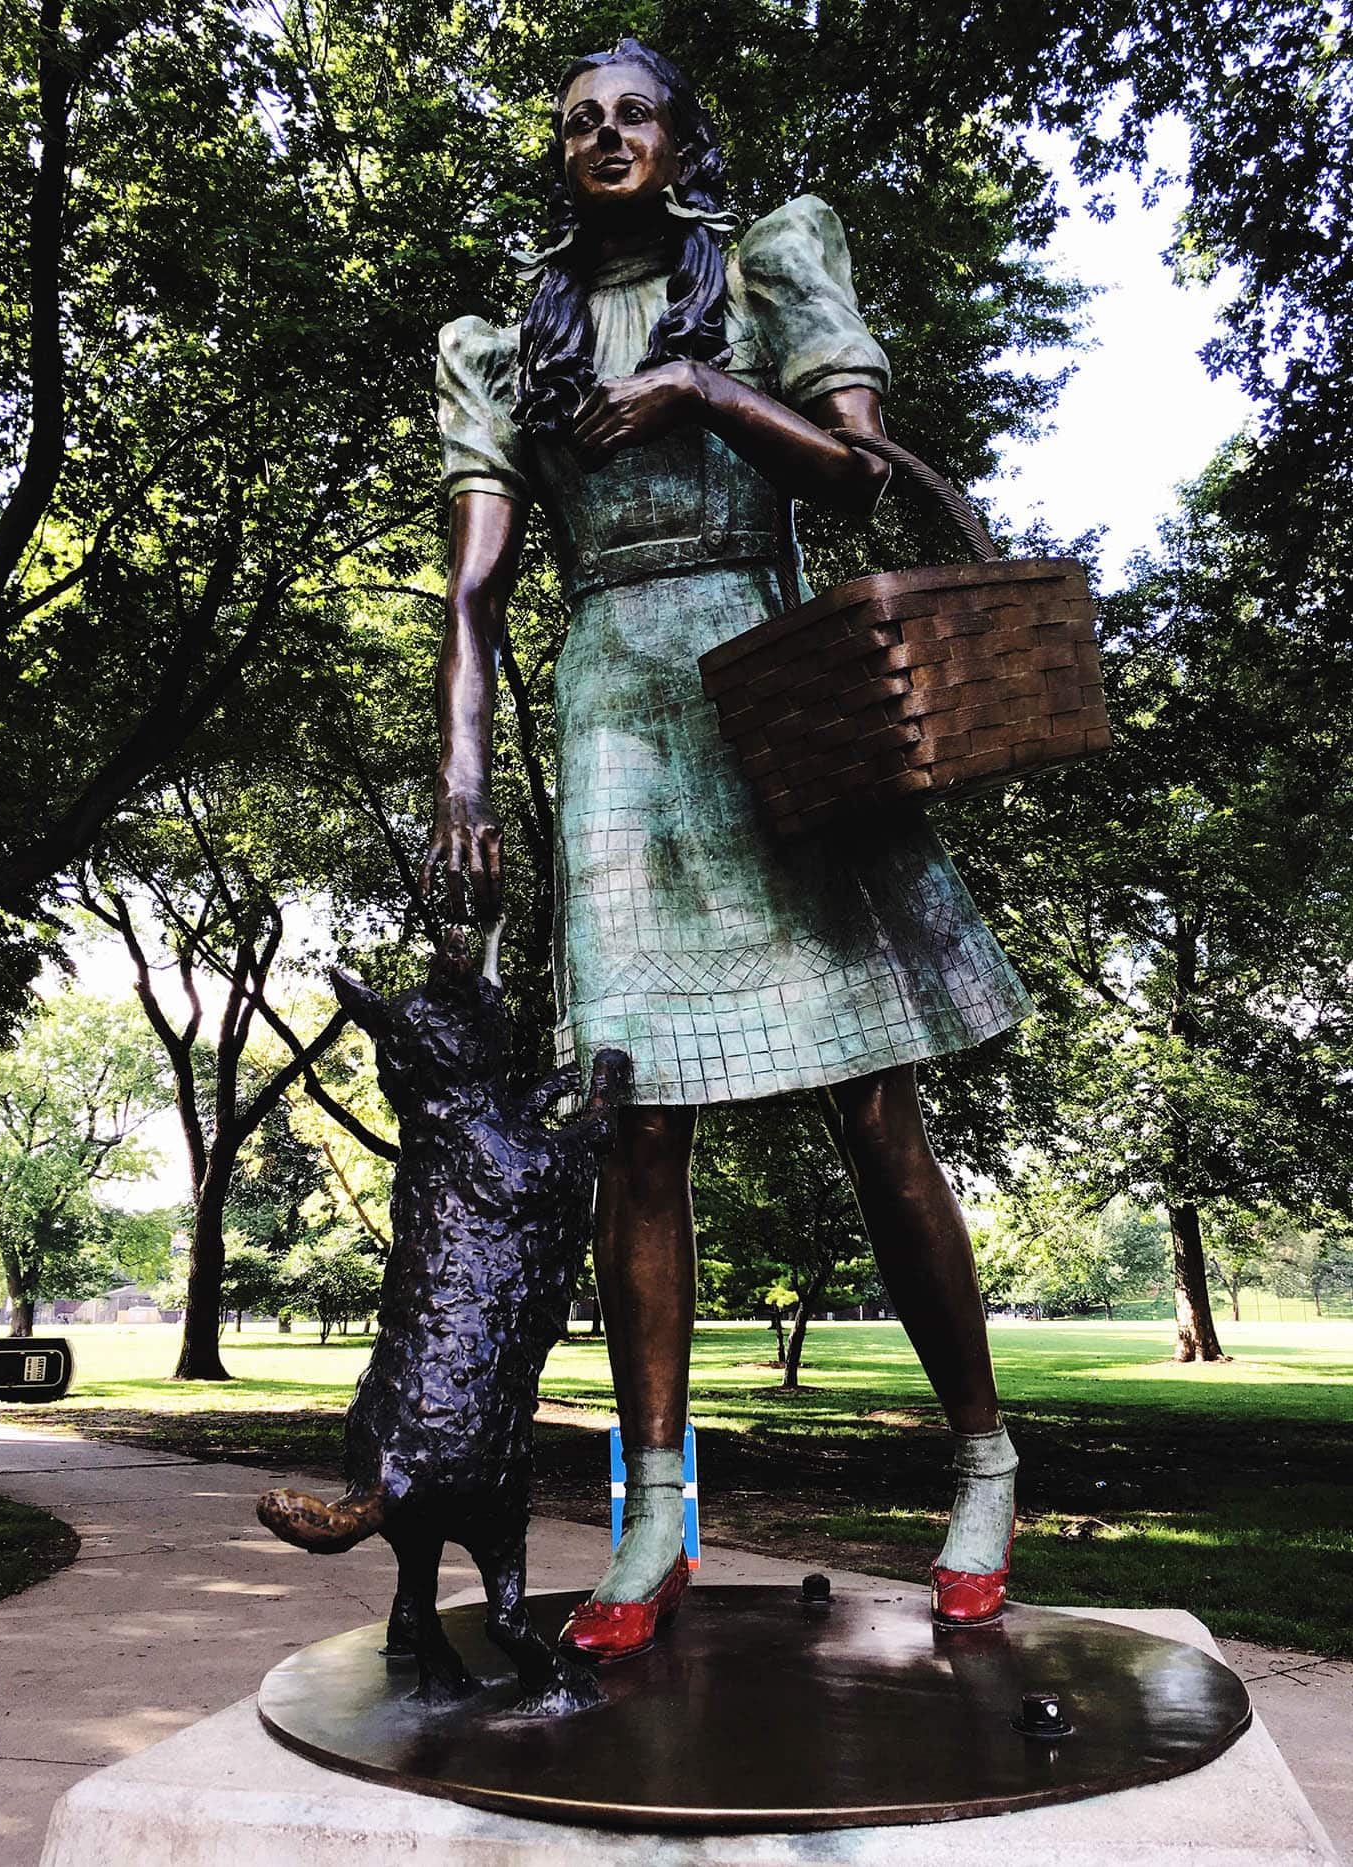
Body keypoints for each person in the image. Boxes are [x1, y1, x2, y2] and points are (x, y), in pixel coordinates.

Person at [426, 38, 1029, 1659]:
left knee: (869, 1095)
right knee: (634, 1118)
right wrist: (464, 788)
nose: (601, 137)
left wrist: (700, 383)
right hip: (616, 707)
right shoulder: (501, 341)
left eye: (633, 113)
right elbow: (474, 599)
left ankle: (982, 1462)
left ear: (683, 139)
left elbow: (856, 479)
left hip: (773, 690)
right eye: (575, 122)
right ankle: (655, 1510)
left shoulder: (763, 270)